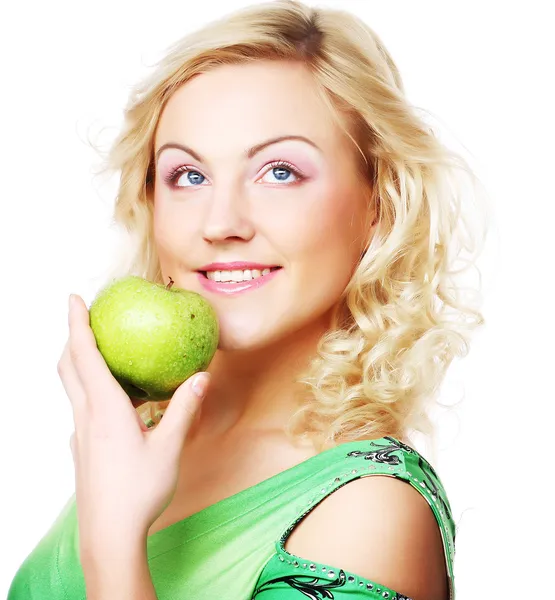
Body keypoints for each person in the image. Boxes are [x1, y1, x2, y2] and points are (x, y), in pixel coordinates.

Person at [8, 1, 487, 598]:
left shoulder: (369, 512)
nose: (221, 222)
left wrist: (112, 545)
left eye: (279, 171)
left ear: (378, 206)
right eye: (188, 175)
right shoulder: (141, 441)